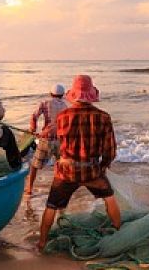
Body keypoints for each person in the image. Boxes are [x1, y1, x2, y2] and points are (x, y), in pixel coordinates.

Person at [37, 75, 121, 251]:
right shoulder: (103, 117)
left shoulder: (62, 117)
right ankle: (119, 234)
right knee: (110, 199)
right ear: (91, 95)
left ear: (73, 95)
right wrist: (103, 166)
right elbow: (110, 150)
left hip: (66, 171)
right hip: (91, 170)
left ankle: (42, 243)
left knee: (51, 206)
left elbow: (59, 144)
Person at [25, 83, 69, 195]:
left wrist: (33, 129)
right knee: (59, 165)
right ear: (62, 95)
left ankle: (29, 189)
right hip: (60, 141)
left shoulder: (45, 103)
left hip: (46, 140)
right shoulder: (65, 107)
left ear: (50, 94)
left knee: (35, 165)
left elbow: (34, 116)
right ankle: (59, 188)